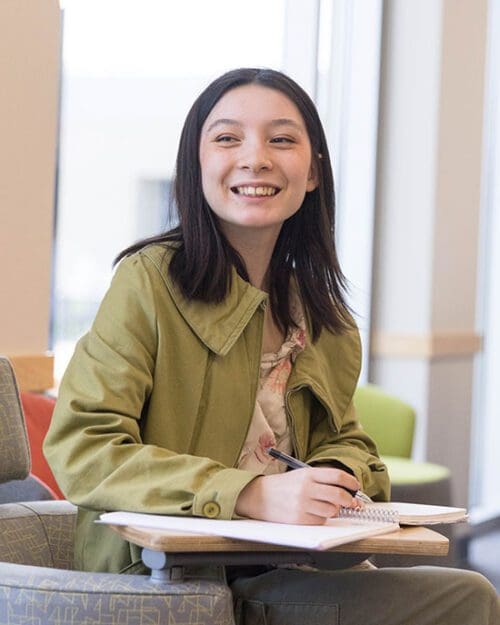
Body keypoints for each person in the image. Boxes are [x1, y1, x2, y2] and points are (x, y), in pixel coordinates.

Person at [44, 67, 499, 625]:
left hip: (291, 566)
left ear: (312, 173)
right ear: (198, 165)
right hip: (170, 578)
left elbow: (349, 440)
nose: (255, 158)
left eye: (281, 139)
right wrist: (250, 493)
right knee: (465, 599)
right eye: (228, 138)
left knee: (461, 590)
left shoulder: (322, 314)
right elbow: (83, 450)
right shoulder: (148, 281)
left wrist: (335, 475)